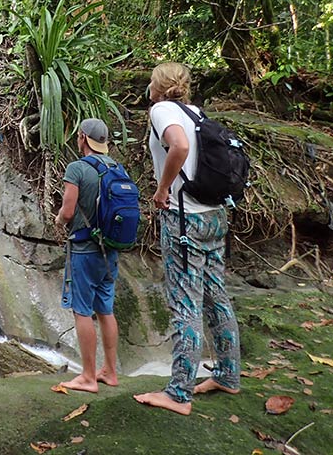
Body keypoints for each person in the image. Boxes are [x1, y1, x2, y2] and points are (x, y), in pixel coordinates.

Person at [134, 62, 241, 415]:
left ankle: (179, 393)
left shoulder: (161, 110)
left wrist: (163, 189)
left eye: (151, 80)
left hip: (185, 220)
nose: (148, 85)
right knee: (216, 296)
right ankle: (227, 374)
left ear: (159, 86)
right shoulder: (195, 112)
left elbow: (177, 147)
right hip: (214, 216)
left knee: (185, 302)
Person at [55, 118, 120, 393]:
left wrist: (58, 220)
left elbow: (68, 212)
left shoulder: (77, 168)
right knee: (105, 309)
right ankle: (111, 372)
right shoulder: (116, 167)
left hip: (84, 250)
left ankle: (88, 377)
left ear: (82, 137)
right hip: (111, 251)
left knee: (82, 311)